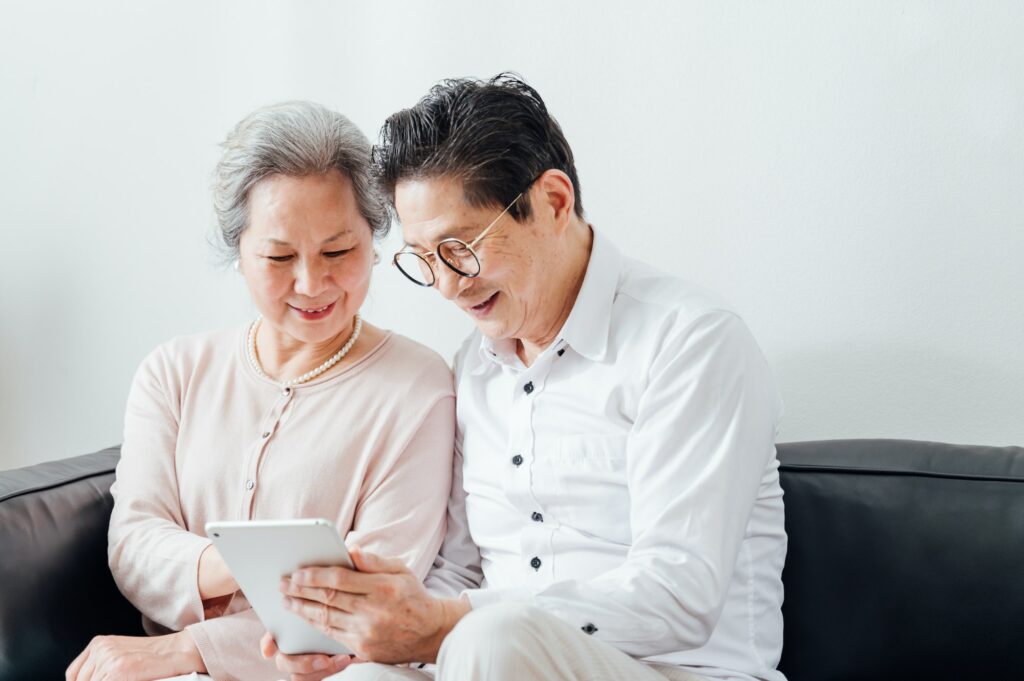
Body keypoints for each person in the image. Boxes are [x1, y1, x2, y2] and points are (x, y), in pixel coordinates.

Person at [266, 74, 788, 681]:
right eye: (423, 258)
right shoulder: (474, 367)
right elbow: (460, 573)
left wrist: (451, 622)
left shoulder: (690, 342)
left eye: (460, 247)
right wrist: (366, 631)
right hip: (486, 660)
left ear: (554, 203)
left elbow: (678, 594)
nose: (447, 284)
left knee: (498, 637)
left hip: (676, 671)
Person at [65, 101, 455, 681]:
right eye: (278, 256)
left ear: (373, 239)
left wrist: (191, 649)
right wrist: (242, 565)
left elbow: (367, 606)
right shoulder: (174, 371)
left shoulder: (419, 389)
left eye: (338, 252)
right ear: (238, 254)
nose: (311, 283)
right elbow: (134, 543)